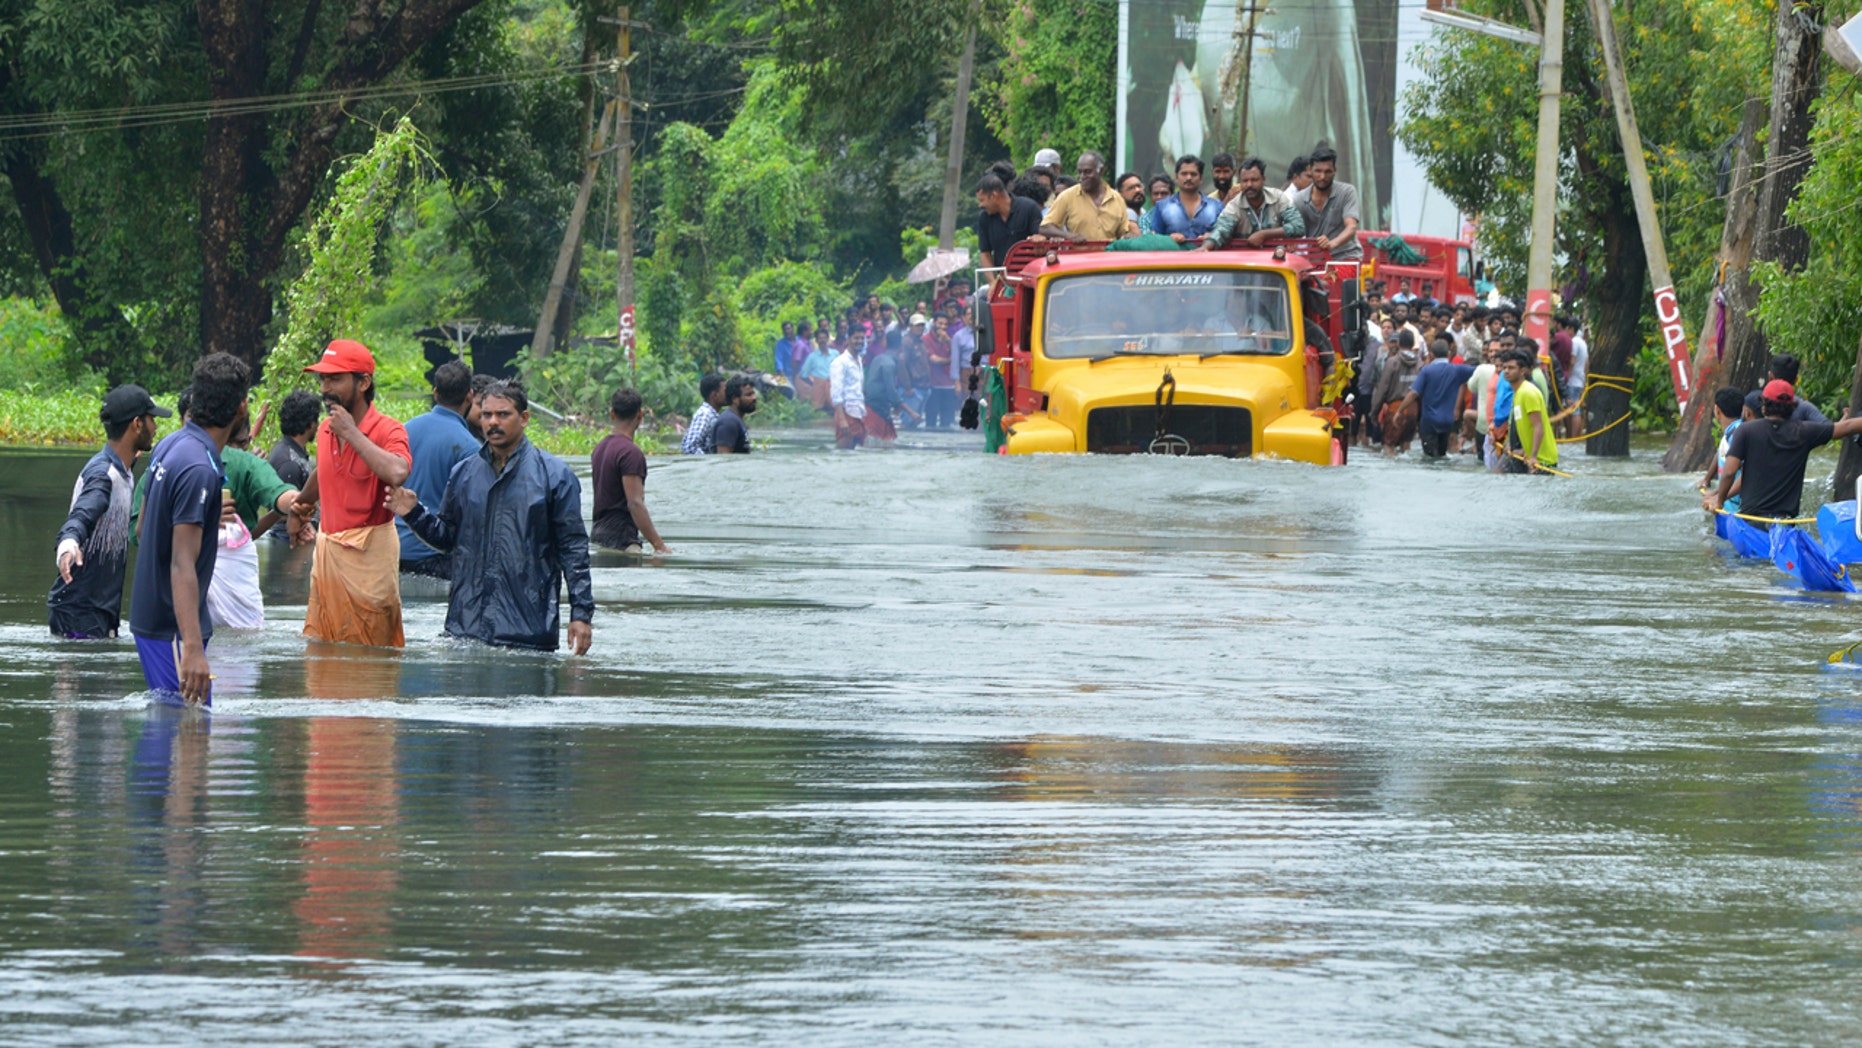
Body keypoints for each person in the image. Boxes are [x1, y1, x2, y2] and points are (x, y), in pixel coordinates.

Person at [386, 381, 594, 653]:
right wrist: (413, 513)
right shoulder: (464, 473)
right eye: (486, 415)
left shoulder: (554, 476)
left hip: (527, 630)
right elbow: (447, 539)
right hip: (465, 628)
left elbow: (573, 549)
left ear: (524, 418)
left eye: (503, 414)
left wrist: (580, 614)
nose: (492, 422)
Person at [130, 353, 248, 706]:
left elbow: (142, 528)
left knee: (176, 735)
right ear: (241, 408)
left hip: (155, 618)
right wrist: (193, 649)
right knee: (187, 731)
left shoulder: (171, 444)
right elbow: (182, 563)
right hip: (172, 626)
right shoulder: (200, 467)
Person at [286, 339, 413, 648]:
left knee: (370, 662)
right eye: (323, 379)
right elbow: (326, 470)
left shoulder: (389, 429)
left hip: (370, 567)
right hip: (328, 562)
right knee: (323, 660)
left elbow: (397, 471)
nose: (326, 388)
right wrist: (300, 504)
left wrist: (352, 433)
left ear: (363, 382)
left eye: (336, 379)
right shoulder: (326, 429)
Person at [48, 385, 170, 639]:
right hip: (79, 613)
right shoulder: (103, 475)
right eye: (152, 419)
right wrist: (69, 542)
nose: (155, 427)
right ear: (137, 424)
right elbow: (83, 513)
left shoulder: (123, 469)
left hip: (99, 612)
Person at [1710, 379, 1862, 521]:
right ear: (1792, 406)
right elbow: (1847, 427)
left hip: (1751, 521)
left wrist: (1719, 501)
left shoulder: (1745, 431)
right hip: (1786, 522)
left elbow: (1729, 473)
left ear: (1764, 405)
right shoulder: (1805, 431)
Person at [207, 411, 299, 630]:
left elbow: (248, 535)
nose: (240, 450)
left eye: (245, 443)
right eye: (238, 443)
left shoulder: (249, 466)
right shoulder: (243, 464)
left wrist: (288, 508)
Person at [398, 360, 478, 579]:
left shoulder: (405, 429)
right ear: (469, 396)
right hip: (433, 554)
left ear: (435, 393)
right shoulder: (470, 447)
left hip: (393, 549)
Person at [591, 387, 670, 555]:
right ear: (640, 416)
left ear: (612, 414)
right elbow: (635, 503)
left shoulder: (600, 448)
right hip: (622, 539)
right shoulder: (630, 453)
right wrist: (659, 545)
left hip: (598, 534)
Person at [1200, 158, 1305, 250]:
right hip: (1245, 265)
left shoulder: (1278, 197)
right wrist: (1205, 247)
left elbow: (1298, 226)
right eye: (1245, 181)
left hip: (1276, 261)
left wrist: (1264, 234)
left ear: (1263, 179)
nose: (1249, 184)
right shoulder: (1235, 205)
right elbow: (1221, 230)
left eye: (1254, 180)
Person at [1399, 340, 1477, 458]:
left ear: (1431, 354)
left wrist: (1399, 410)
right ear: (1449, 354)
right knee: (1442, 456)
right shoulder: (1457, 370)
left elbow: (1413, 393)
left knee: (1430, 459)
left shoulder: (1426, 370)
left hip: (1429, 422)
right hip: (1447, 422)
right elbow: (1479, 370)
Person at [1035, 152, 1130, 243]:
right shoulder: (1067, 196)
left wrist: (1129, 235)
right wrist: (1068, 236)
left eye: (1087, 172)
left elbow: (1124, 232)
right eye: (1079, 172)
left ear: (1101, 171)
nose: (1082, 177)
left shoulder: (1117, 199)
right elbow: (1044, 227)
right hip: (1079, 258)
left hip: (1108, 258)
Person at [1291, 147, 1362, 260]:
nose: (1322, 177)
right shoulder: (1299, 200)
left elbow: (1351, 227)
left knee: (1330, 277)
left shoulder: (1347, 191)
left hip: (1346, 257)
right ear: (1310, 170)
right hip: (1316, 261)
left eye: (1327, 171)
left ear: (1335, 170)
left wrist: (1331, 244)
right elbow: (1293, 230)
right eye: (1318, 171)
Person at [1501, 346, 1559, 474]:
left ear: (1522, 371)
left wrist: (1533, 456)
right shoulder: (1518, 392)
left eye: (1511, 368)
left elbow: (1538, 427)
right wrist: (1523, 450)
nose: (1506, 371)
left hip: (1543, 461)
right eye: (1504, 367)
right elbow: (1526, 427)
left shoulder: (1528, 392)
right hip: (1532, 458)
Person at [975, 173, 1042, 273]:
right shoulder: (984, 218)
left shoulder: (1029, 208)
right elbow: (985, 253)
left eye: (982, 200)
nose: (980, 205)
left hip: (1031, 277)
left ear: (993, 196)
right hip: (1004, 280)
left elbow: (1041, 238)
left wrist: (1040, 238)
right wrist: (993, 282)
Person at [1148, 155, 1221, 242]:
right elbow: (1155, 239)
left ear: (1201, 178)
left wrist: (1214, 236)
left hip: (1208, 254)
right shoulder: (1162, 206)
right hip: (1172, 255)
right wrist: (1169, 239)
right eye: (1184, 174)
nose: (1189, 178)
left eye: (1193, 174)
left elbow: (1226, 234)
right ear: (1176, 177)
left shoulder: (1216, 206)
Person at [1702, 386, 1749, 514]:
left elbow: (1747, 473)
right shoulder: (1731, 432)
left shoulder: (1737, 434)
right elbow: (1721, 452)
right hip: (1728, 503)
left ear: (1717, 410)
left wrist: (1719, 497)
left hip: (1737, 508)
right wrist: (1707, 479)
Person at [864, 330, 904, 441]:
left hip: (871, 406)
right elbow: (891, 389)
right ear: (901, 345)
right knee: (881, 442)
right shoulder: (889, 364)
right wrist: (898, 404)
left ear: (886, 342)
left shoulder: (878, 359)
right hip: (879, 409)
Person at [830, 335, 868, 450]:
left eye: (862, 338)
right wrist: (842, 420)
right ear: (848, 340)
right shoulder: (840, 362)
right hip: (846, 414)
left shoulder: (859, 361)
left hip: (858, 412)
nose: (859, 341)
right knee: (844, 454)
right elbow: (836, 392)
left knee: (854, 456)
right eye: (856, 338)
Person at [922, 313, 958, 428]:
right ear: (933, 323)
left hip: (949, 385)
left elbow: (958, 352)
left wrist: (947, 340)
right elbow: (934, 360)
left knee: (947, 422)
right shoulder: (925, 339)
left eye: (945, 324)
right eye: (940, 323)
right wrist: (952, 360)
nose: (943, 327)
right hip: (933, 385)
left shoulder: (948, 339)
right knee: (931, 421)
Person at [682, 372, 727, 454]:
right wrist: (707, 463)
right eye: (725, 391)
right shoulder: (705, 414)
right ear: (715, 396)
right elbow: (689, 446)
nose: (728, 394)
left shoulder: (712, 414)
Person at [712, 375, 757, 454]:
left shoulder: (736, 420)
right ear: (735, 399)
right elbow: (724, 459)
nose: (754, 398)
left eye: (753, 393)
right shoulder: (728, 422)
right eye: (749, 395)